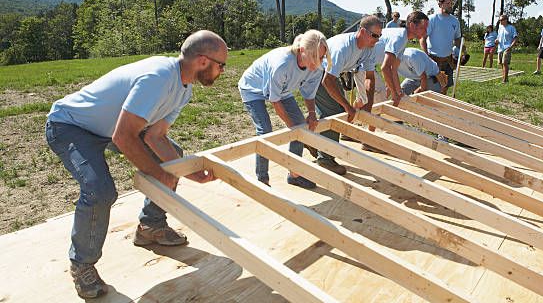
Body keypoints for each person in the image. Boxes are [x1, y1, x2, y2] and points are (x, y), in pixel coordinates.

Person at [45, 30, 226, 299]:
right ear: (202, 60)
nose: (222, 71)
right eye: (221, 65)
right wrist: (158, 173)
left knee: (173, 156)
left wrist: (189, 172)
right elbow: (124, 136)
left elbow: (155, 136)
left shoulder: (184, 88)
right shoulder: (158, 77)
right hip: (71, 126)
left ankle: (150, 227)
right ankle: (82, 264)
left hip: (109, 128)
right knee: (99, 190)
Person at [238, 30, 330, 189]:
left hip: (282, 90)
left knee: (301, 125)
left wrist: (312, 114)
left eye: (321, 57)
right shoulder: (282, 64)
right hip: (252, 88)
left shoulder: (317, 68)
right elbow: (275, 101)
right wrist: (292, 127)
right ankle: (262, 179)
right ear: (302, 51)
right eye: (315, 56)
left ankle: (294, 174)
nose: (319, 61)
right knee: (265, 130)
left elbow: (309, 93)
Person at [315, 15, 380, 174]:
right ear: (363, 32)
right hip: (313, 73)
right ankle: (325, 159)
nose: (377, 39)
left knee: (337, 109)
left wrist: (369, 105)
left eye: (380, 36)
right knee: (334, 112)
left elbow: (369, 78)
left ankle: (311, 140)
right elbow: (327, 81)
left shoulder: (369, 48)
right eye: (374, 35)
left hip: (329, 75)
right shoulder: (343, 47)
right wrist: (348, 107)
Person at [380, 11, 430, 106]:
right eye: (423, 28)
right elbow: (385, 68)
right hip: (362, 62)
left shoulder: (404, 39)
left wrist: (399, 93)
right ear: (412, 25)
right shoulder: (399, 38)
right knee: (378, 97)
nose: (426, 32)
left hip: (365, 63)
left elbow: (393, 69)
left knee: (368, 99)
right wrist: (394, 93)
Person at [419, 0, 461, 94]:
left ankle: (440, 107)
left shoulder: (455, 21)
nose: (450, 5)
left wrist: (460, 53)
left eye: (451, 3)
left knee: (445, 85)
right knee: (431, 87)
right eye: (448, 3)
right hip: (433, 59)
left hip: (448, 59)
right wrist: (426, 56)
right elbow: (422, 38)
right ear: (440, 4)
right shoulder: (432, 19)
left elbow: (457, 39)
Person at [495, 14, 518, 83]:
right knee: (502, 64)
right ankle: (505, 78)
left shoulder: (511, 28)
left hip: (507, 48)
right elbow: (499, 37)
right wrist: (496, 41)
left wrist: (510, 47)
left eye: (501, 20)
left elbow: (515, 38)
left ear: (506, 20)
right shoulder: (500, 27)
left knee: (505, 63)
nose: (500, 21)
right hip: (500, 48)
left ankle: (504, 80)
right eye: (499, 20)